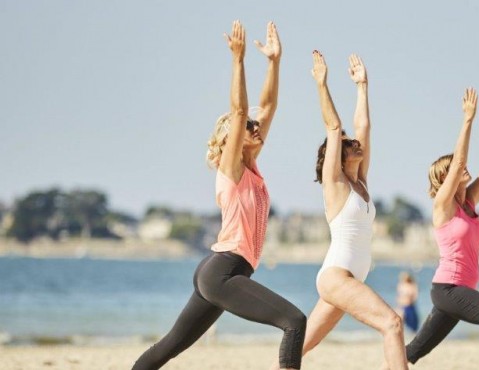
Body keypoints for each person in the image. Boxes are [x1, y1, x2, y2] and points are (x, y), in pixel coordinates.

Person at [133, 21, 306, 370]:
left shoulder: (251, 166)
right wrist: (238, 61)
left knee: (169, 347)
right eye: (248, 128)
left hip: (222, 270)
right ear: (232, 138)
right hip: (223, 271)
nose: (257, 128)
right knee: (294, 321)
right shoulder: (231, 169)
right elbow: (242, 111)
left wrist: (274, 62)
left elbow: (266, 107)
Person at [272, 51, 407, 370]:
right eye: (349, 144)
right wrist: (323, 84)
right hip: (336, 277)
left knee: (300, 347)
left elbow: (364, 126)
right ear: (336, 155)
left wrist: (362, 87)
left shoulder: (361, 183)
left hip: (347, 277)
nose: (355, 143)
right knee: (392, 324)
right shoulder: (335, 184)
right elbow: (335, 127)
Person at [403, 87, 479, 370]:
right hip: (449, 288)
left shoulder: (469, 203)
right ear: (445, 178)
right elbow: (459, 165)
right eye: (453, 167)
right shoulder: (443, 205)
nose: (462, 167)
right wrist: (467, 120)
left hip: (457, 291)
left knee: (412, 351)